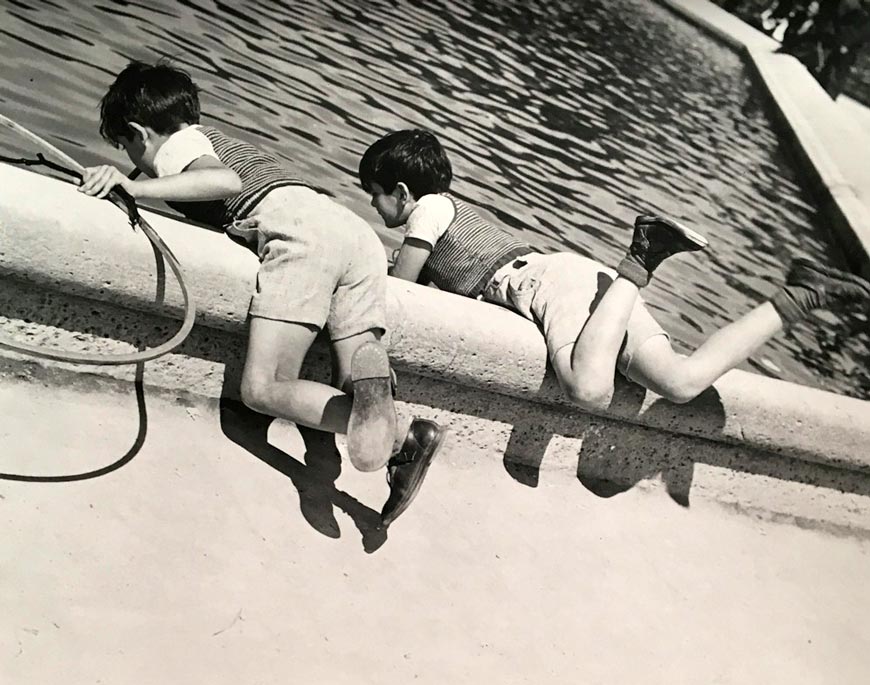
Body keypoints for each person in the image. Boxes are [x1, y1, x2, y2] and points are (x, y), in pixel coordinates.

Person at [80, 62, 445, 527]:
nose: (132, 160)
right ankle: (373, 397)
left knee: (263, 388)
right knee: (352, 372)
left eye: (127, 147)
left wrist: (134, 185)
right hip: (353, 235)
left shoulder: (181, 145)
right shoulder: (211, 138)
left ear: (139, 133)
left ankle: (401, 438)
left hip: (297, 230)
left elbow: (223, 182)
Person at [359, 129, 870, 411]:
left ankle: (641, 259)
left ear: (402, 192)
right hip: (589, 282)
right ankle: (803, 294)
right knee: (682, 382)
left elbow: (402, 292)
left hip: (547, 284)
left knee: (588, 389)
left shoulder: (426, 208)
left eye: (376, 199)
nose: (379, 212)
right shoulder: (447, 209)